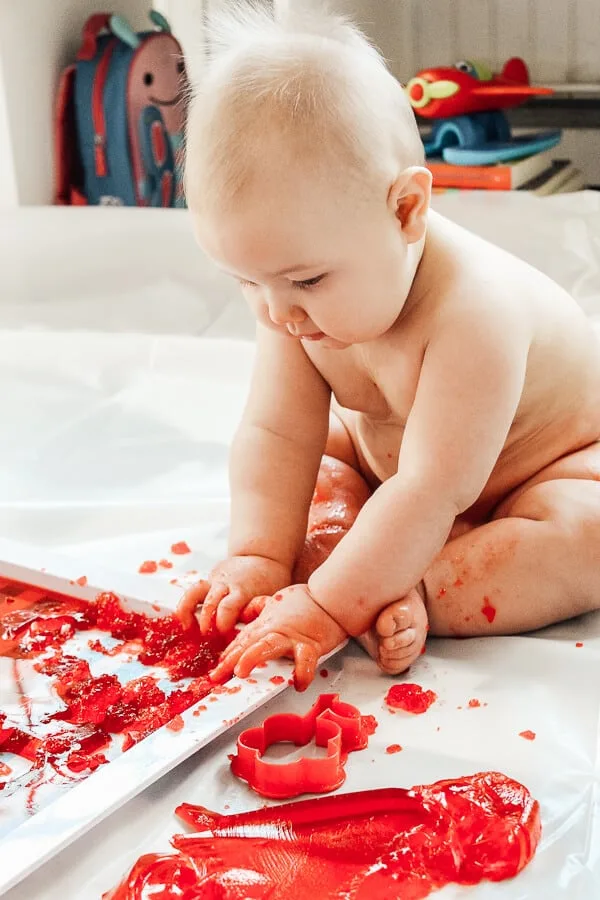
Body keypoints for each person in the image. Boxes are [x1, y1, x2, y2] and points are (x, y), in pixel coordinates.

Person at [178, 3, 600, 690]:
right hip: (398, 468)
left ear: (407, 211)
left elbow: (434, 487)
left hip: (537, 472)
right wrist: (258, 554)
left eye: (305, 280)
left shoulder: (475, 311)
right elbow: (277, 432)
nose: (276, 312)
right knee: (313, 478)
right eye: (245, 282)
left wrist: (327, 605)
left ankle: (425, 588)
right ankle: (379, 567)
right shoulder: (290, 302)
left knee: (589, 536)